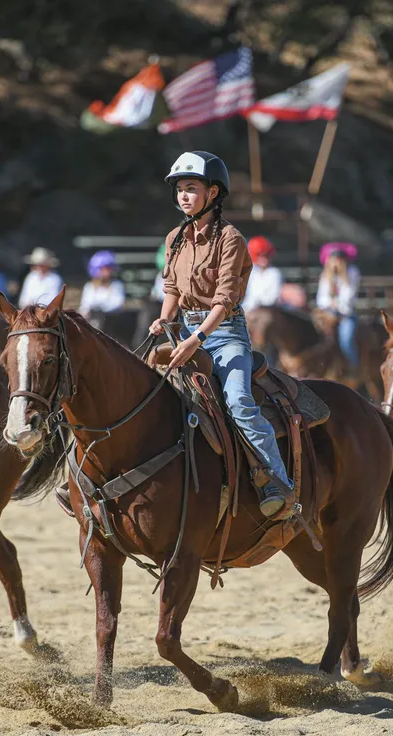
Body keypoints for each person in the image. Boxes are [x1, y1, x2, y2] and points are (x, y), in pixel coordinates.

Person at [149, 151, 292, 517]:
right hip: (182, 331)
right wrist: (163, 322)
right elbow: (171, 290)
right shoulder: (174, 238)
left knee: (239, 402)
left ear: (213, 193)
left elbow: (225, 300)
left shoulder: (231, 238)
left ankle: (277, 481)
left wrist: (196, 339)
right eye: (179, 189)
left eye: (191, 188)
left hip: (225, 334)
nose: (183, 196)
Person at [315, 242, 361, 367]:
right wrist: (331, 303)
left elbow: (349, 297)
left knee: (346, 340)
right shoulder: (325, 275)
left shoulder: (352, 273)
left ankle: (353, 366)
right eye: (334, 258)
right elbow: (321, 299)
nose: (337, 261)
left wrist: (336, 304)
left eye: (339, 258)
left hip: (346, 314)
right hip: (328, 313)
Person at [79, 250, 126, 316]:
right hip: (93, 322)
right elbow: (85, 307)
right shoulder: (89, 286)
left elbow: (118, 304)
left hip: (111, 321)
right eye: (103, 269)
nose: (107, 272)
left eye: (109, 268)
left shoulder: (117, 285)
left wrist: (101, 308)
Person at [242, 236, 283, 311]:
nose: (264, 259)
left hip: (267, 310)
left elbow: (272, 298)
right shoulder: (251, 272)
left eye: (266, 255)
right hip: (249, 309)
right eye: (260, 255)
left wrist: (257, 304)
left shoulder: (274, 273)